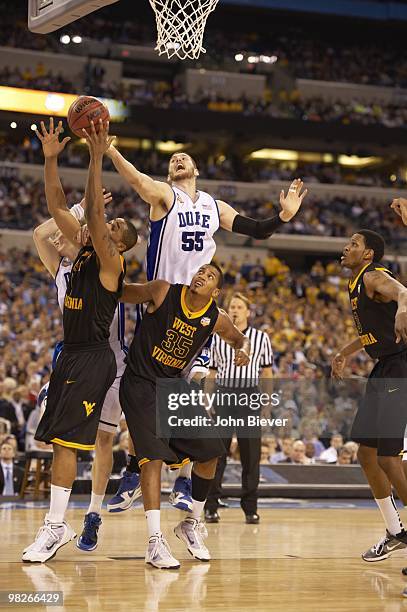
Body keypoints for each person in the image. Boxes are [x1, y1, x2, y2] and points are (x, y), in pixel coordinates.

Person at [106, 146, 307, 512]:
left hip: (197, 313)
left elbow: (257, 230)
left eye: (184, 158)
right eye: (172, 160)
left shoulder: (214, 207)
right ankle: (136, 470)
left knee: (186, 395)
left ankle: (182, 481)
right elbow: (136, 179)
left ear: (196, 168)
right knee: (145, 392)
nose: (178, 160)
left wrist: (283, 215)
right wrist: (110, 150)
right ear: (170, 174)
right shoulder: (166, 196)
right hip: (163, 305)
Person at [22, 118, 138, 563]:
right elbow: (55, 207)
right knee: (59, 443)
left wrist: (94, 157)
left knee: (70, 444)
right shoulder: (83, 251)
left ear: (118, 243)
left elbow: (90, 216)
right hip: (70, 355)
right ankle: (56, 523)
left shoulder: (110, 263)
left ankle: (56, 526)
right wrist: (50, 160)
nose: (106, 224)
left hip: (94, 359)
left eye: (114, 226)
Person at [118, 263, 251, 569]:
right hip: (139, 382)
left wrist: (242, 349)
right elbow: (120, 291)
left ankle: (191, 522)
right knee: (150, 458)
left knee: (211, 451)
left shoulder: (216, 317)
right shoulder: (163, 291)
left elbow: (237, 337)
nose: (201, 275)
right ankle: (154, 541)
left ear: (215, 291)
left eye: (210, 275)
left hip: (173, 386)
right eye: (201, 271)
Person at [332, 229, 407, 563]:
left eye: (355, 244)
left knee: (389, 458)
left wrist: (404, 308)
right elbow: (372, 333)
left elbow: (404, 293)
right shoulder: (356, 283)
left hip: (401, 366)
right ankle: (395, 531)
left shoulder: (375, 277)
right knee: (367, 454)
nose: (347, 247)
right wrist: (344, 352)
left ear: (368, 254)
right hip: (385, 367)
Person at [204, 292, 273, 524]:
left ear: (248, 312)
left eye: (239, 307)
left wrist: (266, 403)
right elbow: (212, 373)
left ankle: (250, 507)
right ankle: (211, 504)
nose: (234, 310)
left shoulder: (261, 338)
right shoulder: (217, 338)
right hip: (223, 395)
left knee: (251, 455)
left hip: (250, 397)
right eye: (231, 306)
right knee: (217, 453)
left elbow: (267, 373)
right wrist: (207, 398)